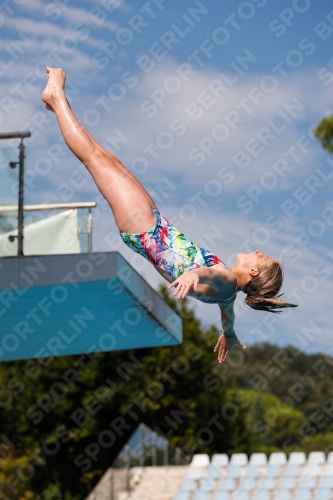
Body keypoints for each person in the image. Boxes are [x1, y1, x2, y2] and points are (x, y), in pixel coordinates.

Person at [41, 67, 297, 364]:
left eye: (261, 258)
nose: (257, 252)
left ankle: (56, 97)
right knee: (110, 161)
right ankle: (57, 106)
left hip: (147, 230)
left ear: (253, 273)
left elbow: (208, 274)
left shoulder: (226, 279)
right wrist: (228, 333)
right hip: (154, 224)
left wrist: (192, 274)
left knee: (95, 160)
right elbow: (228, 314)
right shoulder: (227, 295)